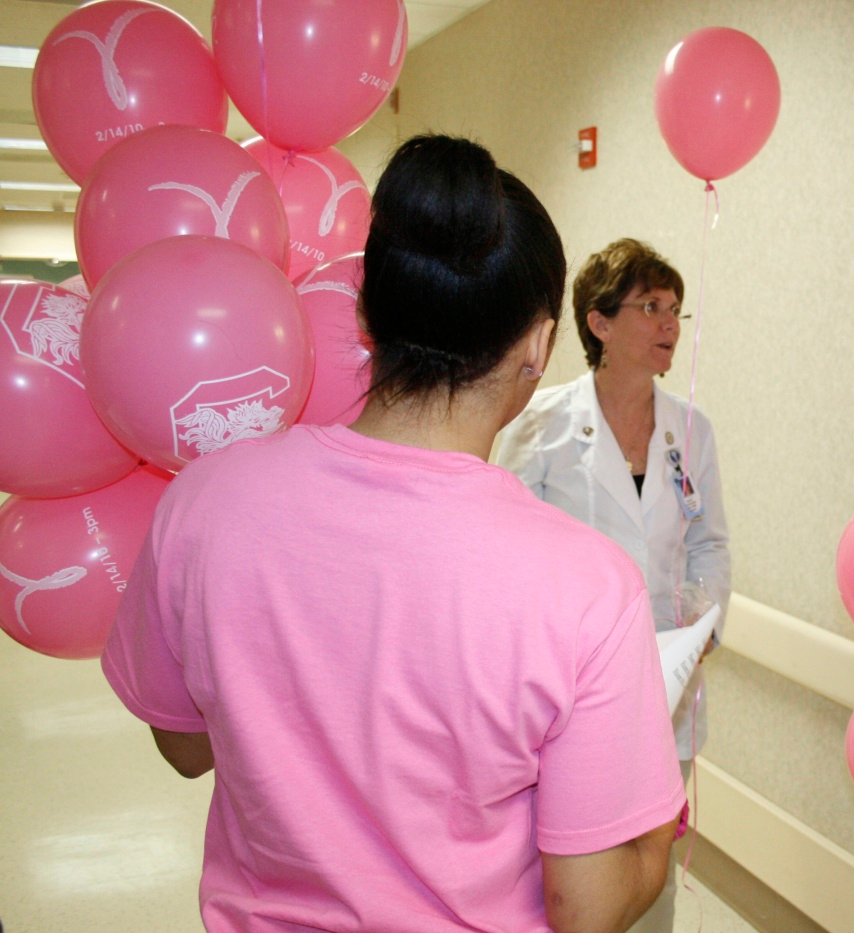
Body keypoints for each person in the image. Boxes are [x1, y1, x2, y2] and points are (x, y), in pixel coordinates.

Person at [101, 136, 685, 933]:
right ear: (539, 345)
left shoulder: (205, 501)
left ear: (366, 310)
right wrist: (653, 829)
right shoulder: (586, 586)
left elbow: (184, 746)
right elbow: (586, 908)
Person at [496, 237, 731, 933]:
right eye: (651, 307)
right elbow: (508, 548)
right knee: (567, 876)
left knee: (648, 871)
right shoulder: (541, 422)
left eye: (676, 311)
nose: (669, 325)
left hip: (668, 681)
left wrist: (704, 624)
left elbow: (710, 542)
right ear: (599, 323)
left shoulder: (692, 429)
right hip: (565, 684)